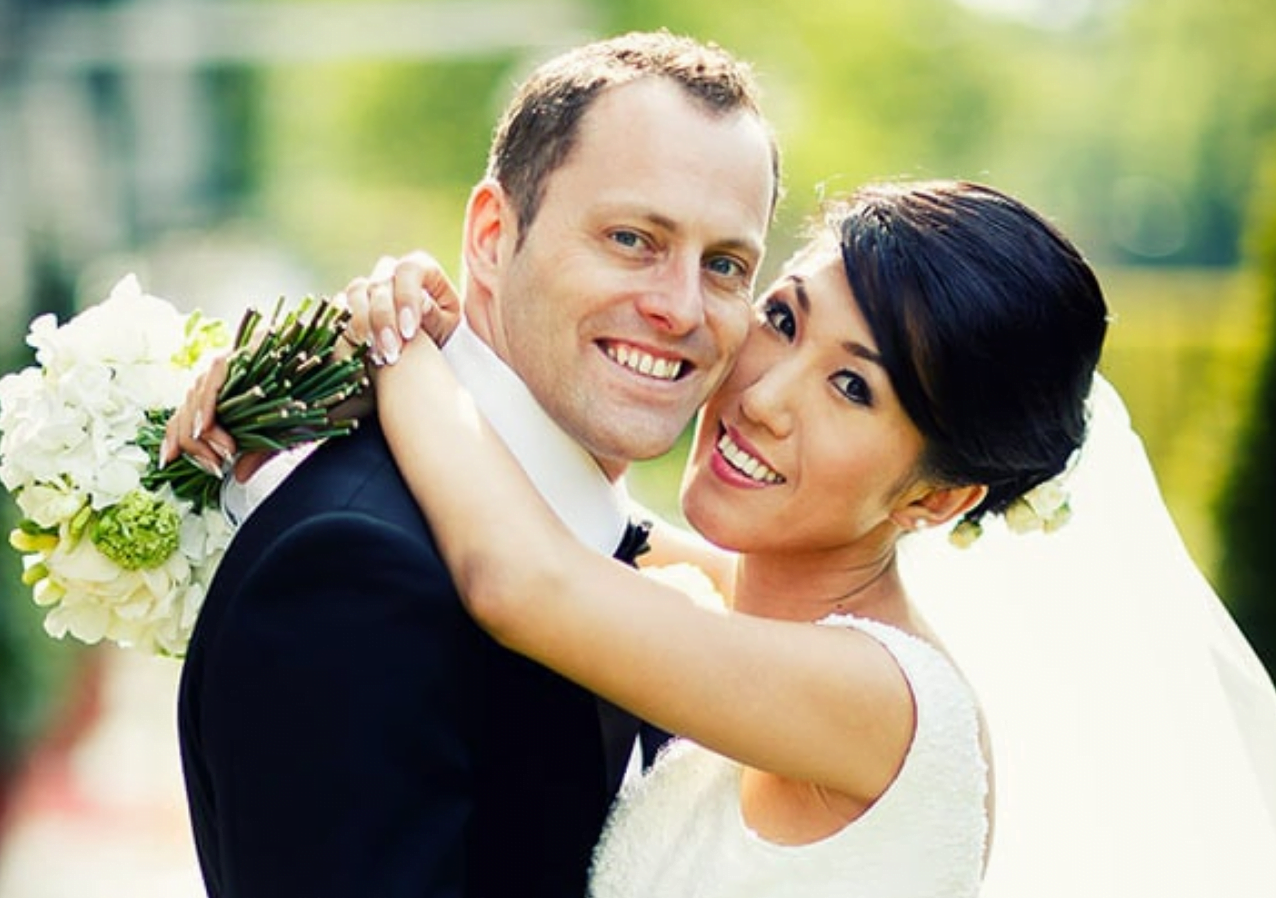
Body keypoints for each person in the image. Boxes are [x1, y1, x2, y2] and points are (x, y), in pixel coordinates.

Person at [272, 178, 1111, 895]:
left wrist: (397, 347)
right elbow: (570, 512)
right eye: (782, 319)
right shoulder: (751, 606)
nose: (764, 397)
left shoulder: (884, 699)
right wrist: (441, 328)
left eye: (852, 387)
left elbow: (523, 581)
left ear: (938, 500)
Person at [166, 31, 779, 898]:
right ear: (492, 235)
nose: (680, 308)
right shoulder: (354, 568)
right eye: (633, 238)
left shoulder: (628, 557)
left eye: (725, 265)